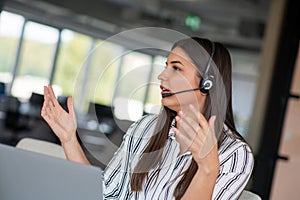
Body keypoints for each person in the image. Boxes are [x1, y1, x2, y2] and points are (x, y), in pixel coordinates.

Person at [41, 37, 254, 199]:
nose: (162, 76)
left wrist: (208, 169)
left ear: (207, 82)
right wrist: (69, 139)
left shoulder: (234, 154)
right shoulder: (144, 128)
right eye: (166, 66)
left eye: (176, 68)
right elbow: (104, 193)